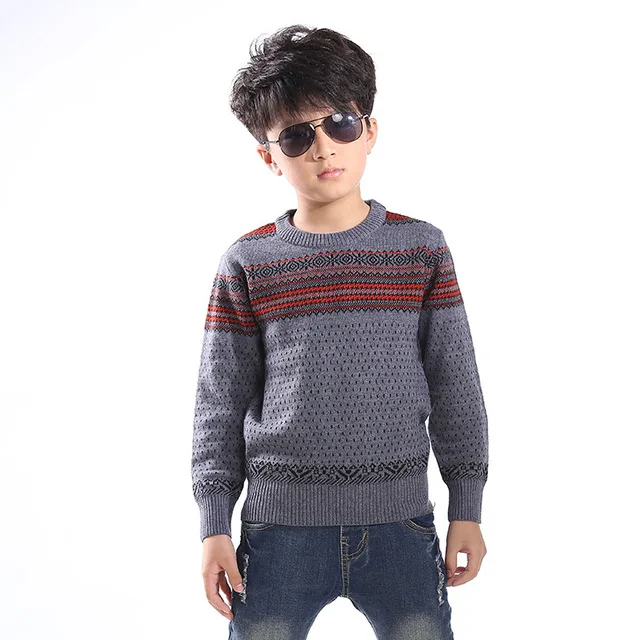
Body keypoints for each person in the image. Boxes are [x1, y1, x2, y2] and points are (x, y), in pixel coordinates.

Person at [191, 24, 489, 640]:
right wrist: (213, 523)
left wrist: (468, 505)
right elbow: (218, 403)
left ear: (370, 130)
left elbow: (456, 383)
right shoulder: (248, 262)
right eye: (297, 136)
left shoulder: (420, 249)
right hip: (278, 532)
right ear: (269, 156)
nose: (324, 147)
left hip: (402, 524)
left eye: (340, 123)